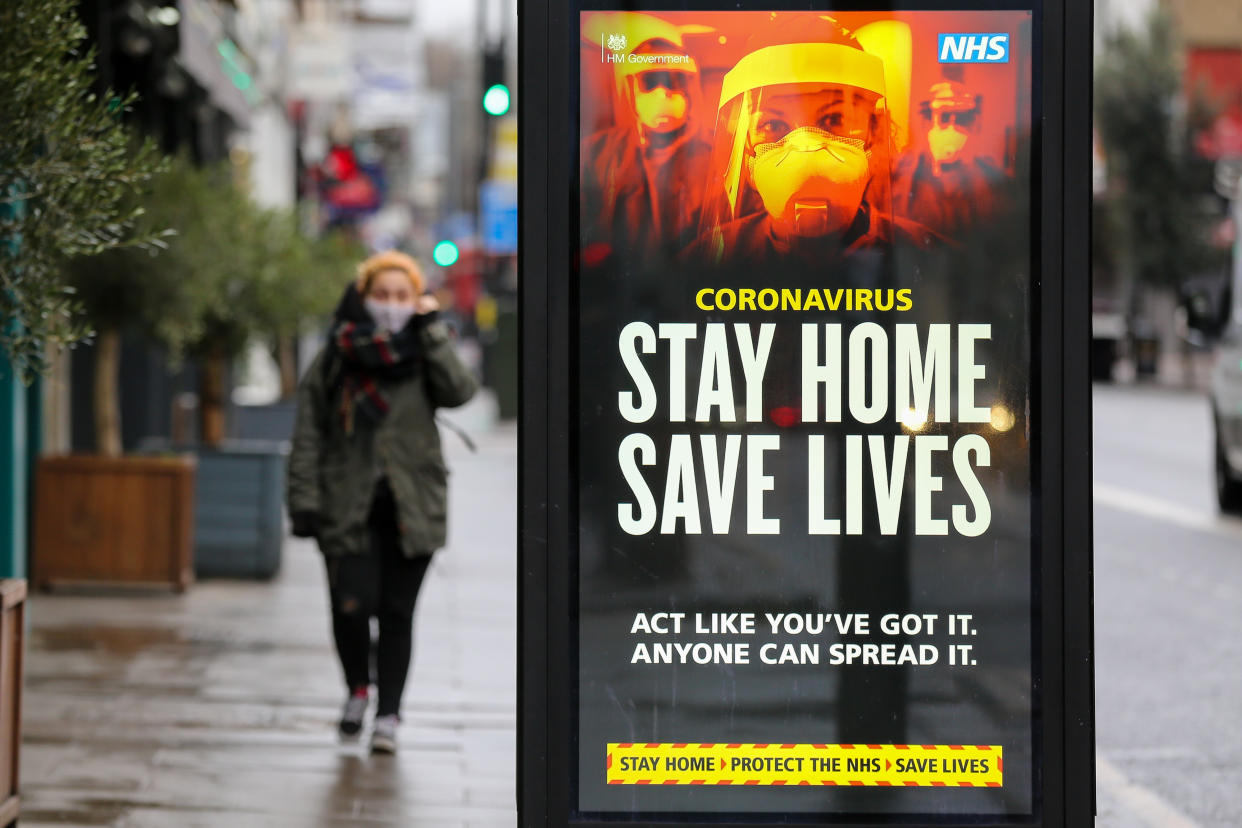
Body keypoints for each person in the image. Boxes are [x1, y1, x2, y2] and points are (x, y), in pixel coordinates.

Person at [286, 250, 477, 754]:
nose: (391, 305)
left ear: (417, 300)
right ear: (364, 297)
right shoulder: (335, 355)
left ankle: (389, 714)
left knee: (397, 613)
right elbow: (308, 434)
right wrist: (302, 500)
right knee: (350, 608)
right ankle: (357, 688)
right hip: (346, 505)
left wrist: (432, 330)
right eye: (382, 295)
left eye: (402, 296)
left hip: (414, 506)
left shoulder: (426, 349)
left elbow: (460, 391)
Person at [690, 15, 933, 269]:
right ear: (746, 148)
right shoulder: (704, 263)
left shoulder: (928, 260)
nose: (806, 148)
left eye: (834, 118)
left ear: (875, 133)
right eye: (773, 125)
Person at [580, 14, 712, 268]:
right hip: (620, 292)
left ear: (689, 88)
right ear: (632, 91)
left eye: (674, 82)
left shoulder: (717, 154)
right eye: (650, 83)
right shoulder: (597, 152)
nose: (662, 94)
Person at [894, 80, 1008, 240]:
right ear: (926, 123)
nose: (952, 129)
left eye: (961, 120)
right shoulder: (901, 178)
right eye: (944, 118)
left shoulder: (989, 182)